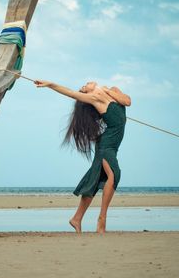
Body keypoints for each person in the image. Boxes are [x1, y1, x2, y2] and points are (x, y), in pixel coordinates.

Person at [34, 79, 131, 233]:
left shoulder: (112, 90)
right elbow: (71, 93)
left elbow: (127, 101)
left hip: (113, 145)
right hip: (106, 145)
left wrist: (107, 91)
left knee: (95, 179)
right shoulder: (94, 99)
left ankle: (76, 219)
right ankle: (102, 219)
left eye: (85, 84)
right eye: (84, 87)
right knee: (114, 175)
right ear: (88, 93)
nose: (84, 84)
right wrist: (50, 84)